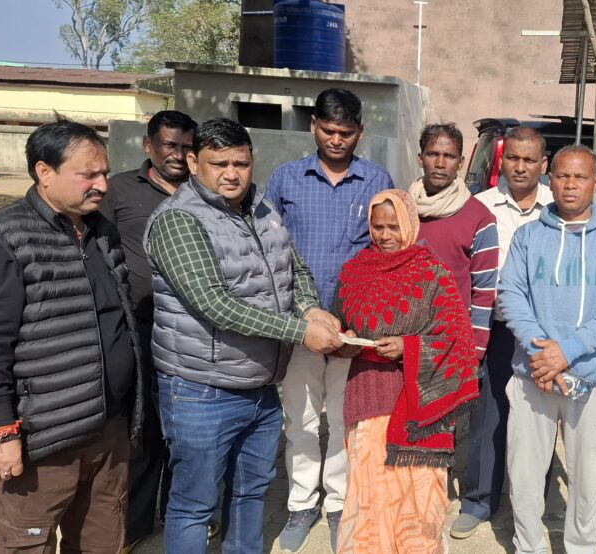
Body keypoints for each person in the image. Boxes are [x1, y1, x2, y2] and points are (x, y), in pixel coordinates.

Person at [144, 117, 344, 554]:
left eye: (241, 163)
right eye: (220, 164)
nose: (232, 174)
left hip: (260, 385)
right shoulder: (178, 220)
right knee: (195, 505)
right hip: (201, 389)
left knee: (250, 493)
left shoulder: (262, 207)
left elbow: (296, 269)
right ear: (193, 163)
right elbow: (213, 304)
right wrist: (300, 331)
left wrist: (309, 308)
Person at [0, 118, 143, 552]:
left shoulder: (100, 230)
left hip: (107, 431)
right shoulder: (3, 238)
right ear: (44, 172)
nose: (103, 185)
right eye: (88, 174)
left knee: (102, 542)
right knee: (27, 543)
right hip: (41, 441)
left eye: (105, 173)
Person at [266, 88, 395, 553]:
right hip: (299, 324)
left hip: (353, 327)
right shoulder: (285, 179)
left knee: (345, 420)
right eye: (328, 130)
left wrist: (371, 319)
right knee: (300, 419)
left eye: (345, 132)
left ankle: (340, 502)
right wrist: (293, 315)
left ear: (360, 131)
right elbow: (271, 250)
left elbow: (387, 248)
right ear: (313, 126)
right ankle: (302, 503)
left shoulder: (376, 179)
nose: (336, 140)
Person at [499, 145, 596, 553]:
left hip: (591, 379)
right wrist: (543, 356)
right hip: (533, 376)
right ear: (550, 179)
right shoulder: (529, 237)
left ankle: (581, 547)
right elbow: (512, 296)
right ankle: (528, 546)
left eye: (580, 177)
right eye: (562, 176)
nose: (570, 185)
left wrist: (567, 352)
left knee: (586, 479)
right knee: (525, 475)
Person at [331, 189, 480, 553]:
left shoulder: (432, 273)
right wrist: (345, 340)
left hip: (417, 404)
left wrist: (408, 347)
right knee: (370, 493)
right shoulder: (353, 271)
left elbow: (457, 339)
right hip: (367, 396)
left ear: (410, 225)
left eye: (393, 226)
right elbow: (340, 323)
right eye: (377, 226)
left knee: (418, 496)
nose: (385, 236)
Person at [101, 109, 198, 549]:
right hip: (138, 327)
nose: (178, 155)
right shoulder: (119, 190)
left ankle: (185, 514)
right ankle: (136, 525)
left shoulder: (204, 190)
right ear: (148, 145)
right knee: (142, 428)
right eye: (169, 145)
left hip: (192, 332)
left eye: (186, 147)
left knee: (186, 431)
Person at [453, 126, 555, 538]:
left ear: (543, 164)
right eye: (513, 157)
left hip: (542, 332)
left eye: (530, 159)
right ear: (502, 159)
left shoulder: (557, 206)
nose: (520, 167)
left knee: (540, 419)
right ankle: (479, 500)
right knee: (488, 414)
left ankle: (533, 504)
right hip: (493, 328)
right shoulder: (479, 205)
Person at [408, 122, 498, 358]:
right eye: (433, 154)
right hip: (402, 335)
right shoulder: (402, 208)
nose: (440, 163)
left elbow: (484, 290)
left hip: (451, 340)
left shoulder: (479, 217)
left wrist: (476, 350)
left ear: (460, 162)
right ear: (420, 158)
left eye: (449, 156)